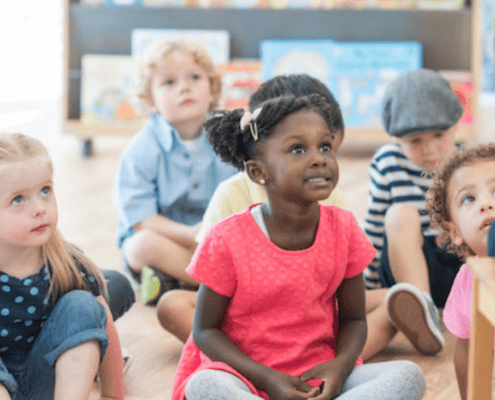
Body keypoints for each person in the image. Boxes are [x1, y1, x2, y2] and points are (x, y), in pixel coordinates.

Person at [171, 94, 426, 400]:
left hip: (318, 377)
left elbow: (355, 319)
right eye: (298, 149)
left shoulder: (344, 229)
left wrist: (340, 367)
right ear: (258, 172)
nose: (319, 158)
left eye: (325, 146)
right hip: (247, 377)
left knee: (408, 376)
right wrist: (268, 379)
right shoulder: (227, 238)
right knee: (207, 386)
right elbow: (204, 332)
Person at [0, 133, 124, 400]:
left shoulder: (65, 260)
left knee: (85, 304)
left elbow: (106, 325)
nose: (40, 208)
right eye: (18, 199)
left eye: (45, 190)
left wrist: (112, 395)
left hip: (47, 384)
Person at [114, 39, 237, 305]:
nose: (185, 87)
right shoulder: (141, 150)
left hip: (216, 240)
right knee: (140, 246)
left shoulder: (229, 141)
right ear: (151, 101)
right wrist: (191, 234)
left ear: (213, 90)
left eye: (194, 77)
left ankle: (176, 282)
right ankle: (220, 285)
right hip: (169, 240)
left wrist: (212, 234)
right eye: (169, 82)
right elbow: (141, 219)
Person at [362, 69, 464, 356]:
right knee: (399, 214)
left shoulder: (466, 161)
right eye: (415, 141)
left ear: (456, 125)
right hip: (407, 272)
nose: (430, 149)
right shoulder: (388, 162)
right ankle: (423, 309)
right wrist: (367, 288)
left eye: (439, 135)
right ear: (396, 139)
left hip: (458, 268)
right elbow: (373, 228)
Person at [426, 142, 495, 400]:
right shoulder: (469, 281)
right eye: (469, 198)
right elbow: (466, 351)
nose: (486, 204)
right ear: (454, 232)